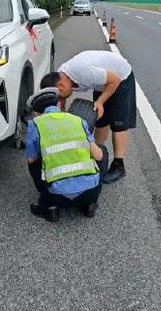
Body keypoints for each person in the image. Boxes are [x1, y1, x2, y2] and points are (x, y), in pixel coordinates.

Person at [42, 50, 135, 184]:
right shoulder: (61, 76)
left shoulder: (83, 73)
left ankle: (119, 166)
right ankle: (97, 155)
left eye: (60, 96)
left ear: (61, 86)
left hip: (120, 78)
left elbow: (114, 80)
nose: (61, 99)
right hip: (101, 82)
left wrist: (101, 101)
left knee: (118, 124)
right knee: (101, 120)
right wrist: (60, 114)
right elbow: (60, 98)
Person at [25, 87, 109, 222]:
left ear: (36, 113)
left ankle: (49, 207)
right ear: (58, 104)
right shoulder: (78, 120)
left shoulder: (35, 124)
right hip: (89, 192)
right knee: (102, 150)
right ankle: (90, 204)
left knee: (33, 161)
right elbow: (98, 156)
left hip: (56, 196)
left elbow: (31, 159)